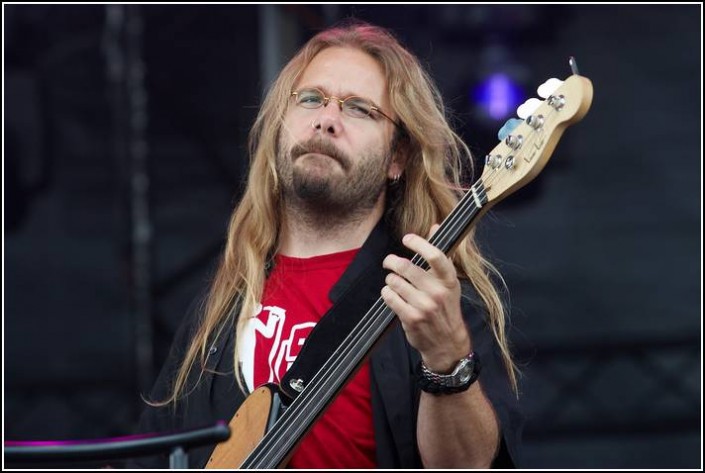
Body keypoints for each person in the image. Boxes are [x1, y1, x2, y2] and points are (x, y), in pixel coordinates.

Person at [129, 21, 522, 469]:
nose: (326, 120)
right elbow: (151, 452)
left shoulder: (429, 300)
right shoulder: (227, 300)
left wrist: (448, 360)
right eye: (311, 99)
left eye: (359, 109)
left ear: (398, 158)